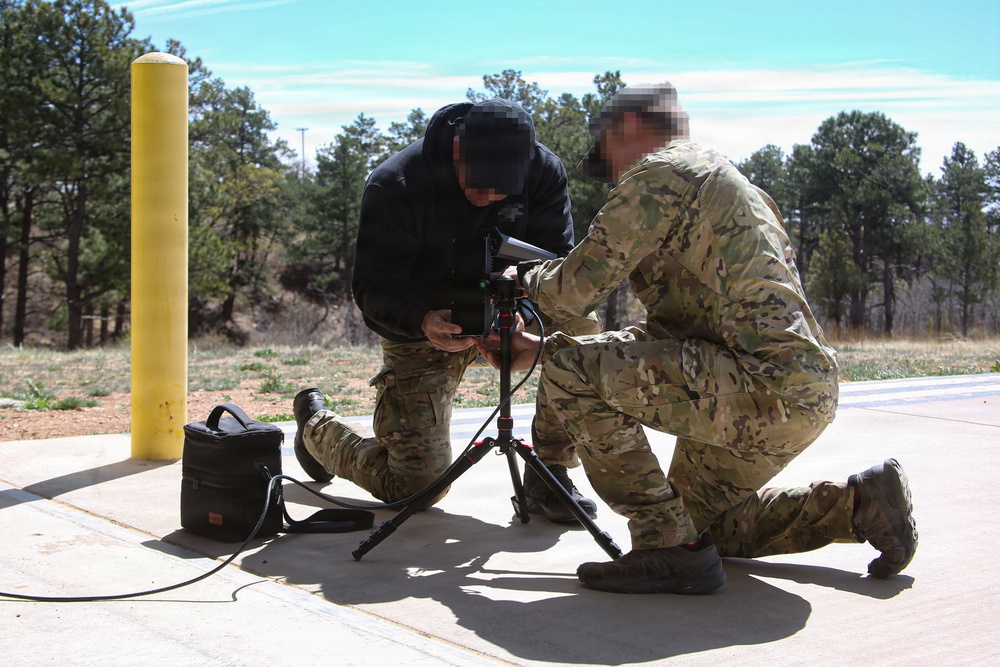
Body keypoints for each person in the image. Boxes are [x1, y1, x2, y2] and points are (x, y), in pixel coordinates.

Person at [476, 82, 918, 594]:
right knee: (706, 532)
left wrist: (520, 280)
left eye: (611, 160)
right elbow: (667, 336)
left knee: (569, 375)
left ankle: (665, 549)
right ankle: (859, 506)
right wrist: (545, 347)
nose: (615, 179)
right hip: (795, 392)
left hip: (758, 386)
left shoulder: (663, 173)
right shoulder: (732, 191)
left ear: (631, 128)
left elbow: (573, 290)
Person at [292, 98, 600, 520]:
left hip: (511, 308)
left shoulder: (543, 171)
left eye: (501, 190)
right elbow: (373, 287)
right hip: (426, 324)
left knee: (580, 321)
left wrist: (524, 321)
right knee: (417, 488)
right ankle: (317, 428)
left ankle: (551, 472)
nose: (488, 198)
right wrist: (423, 322)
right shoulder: (395, 184)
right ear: (457, 151)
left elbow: (558, 263)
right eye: (480, 186)